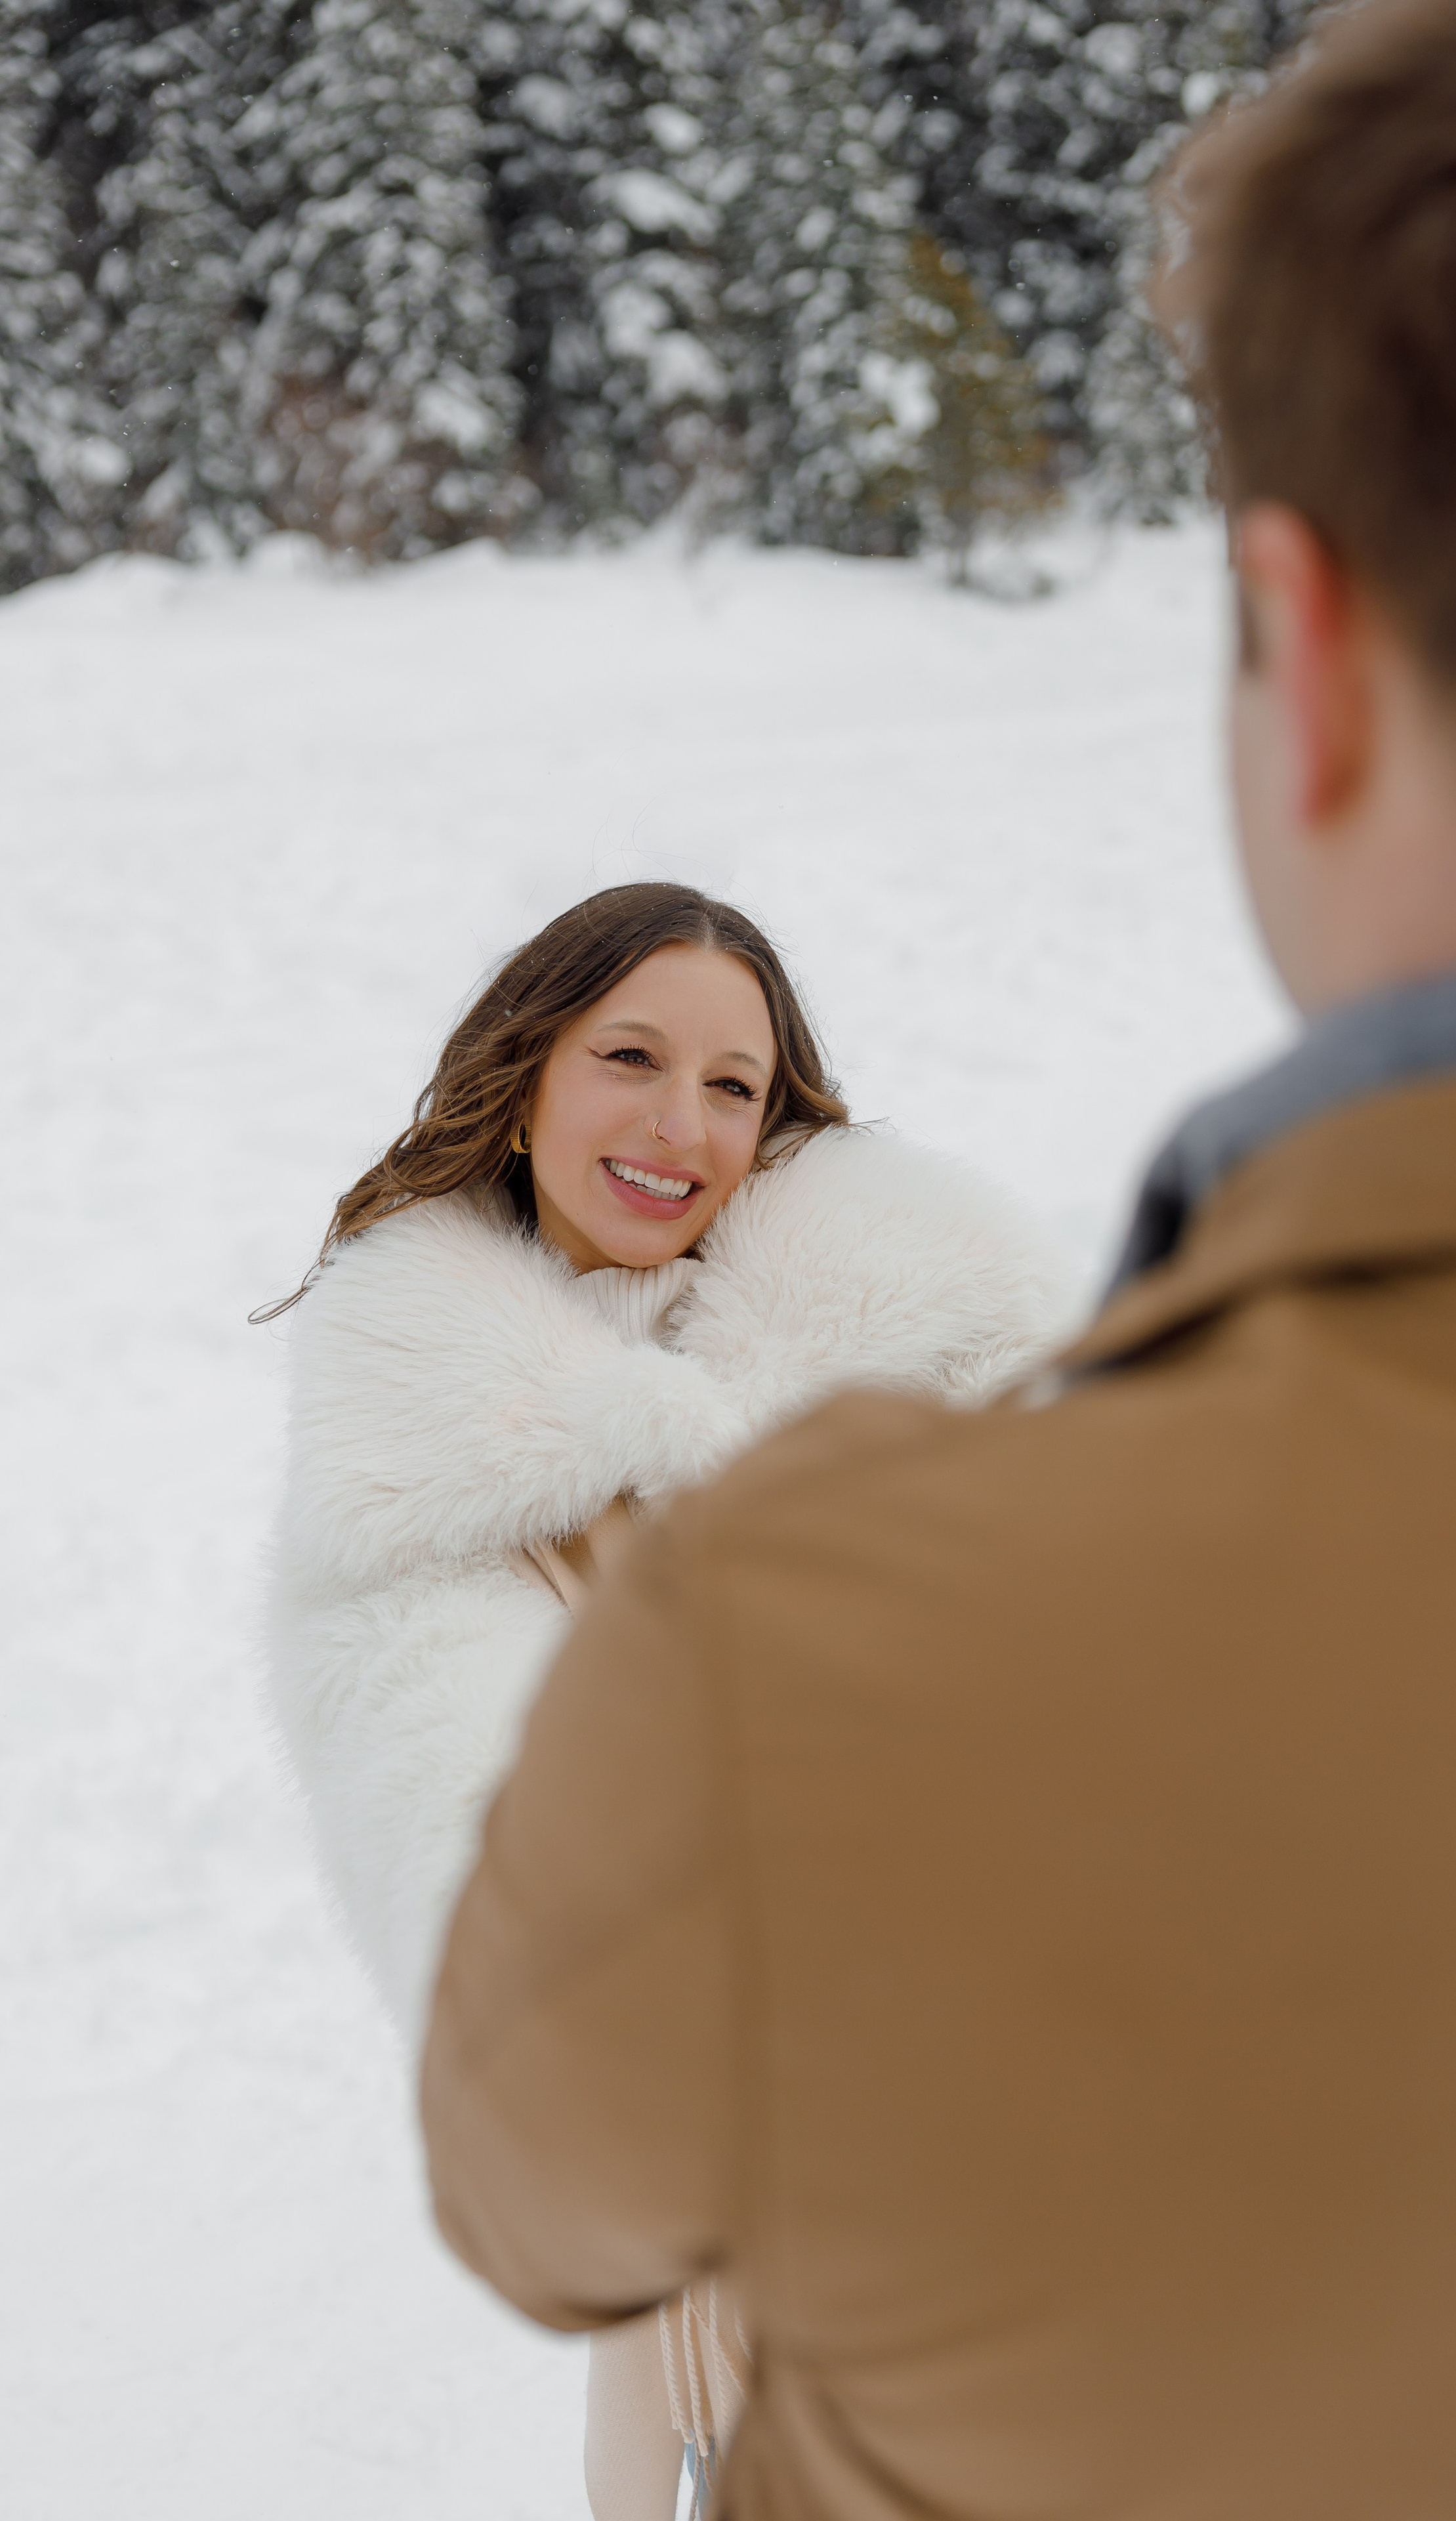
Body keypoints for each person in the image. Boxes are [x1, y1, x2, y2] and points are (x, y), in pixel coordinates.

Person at [421, 3, 1456, 2514]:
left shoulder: (820, 1642)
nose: (681, 1126)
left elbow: (531, 2172)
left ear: (1304, 661)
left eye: (730, 1081)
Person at [263, 882, 1070, 2520]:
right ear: (527, 1069)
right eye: (629, 1055)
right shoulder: (416, 1467)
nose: (678, 1125)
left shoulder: (934, 1349)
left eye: (732, 1084)